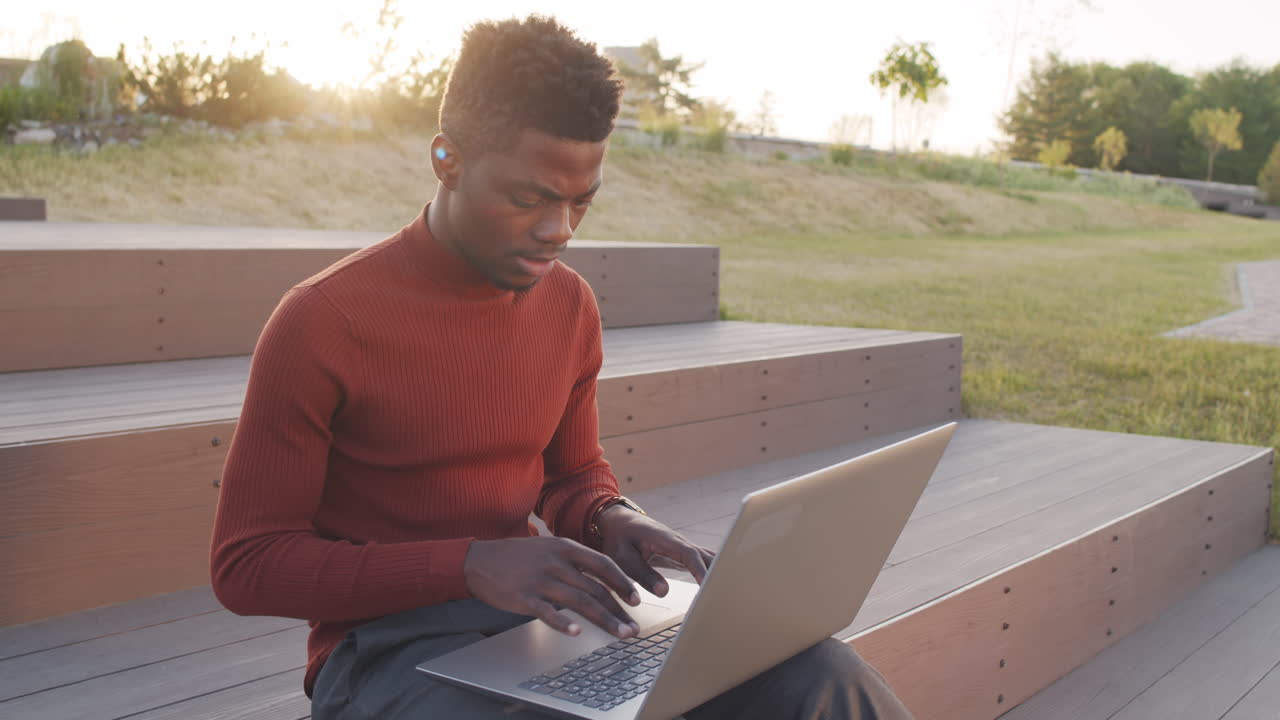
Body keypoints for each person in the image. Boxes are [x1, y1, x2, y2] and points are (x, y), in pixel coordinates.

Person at [209, 14, 913, 720]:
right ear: (446, 160)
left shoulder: (568, 304)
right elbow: (248, 566)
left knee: (819, 673)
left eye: (582, 201)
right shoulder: (324, 320)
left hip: (540, 626)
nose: (560, 231)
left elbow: (571, 476)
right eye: (529, 199)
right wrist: (468, 564)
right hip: (387, 654)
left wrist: (614, 518)